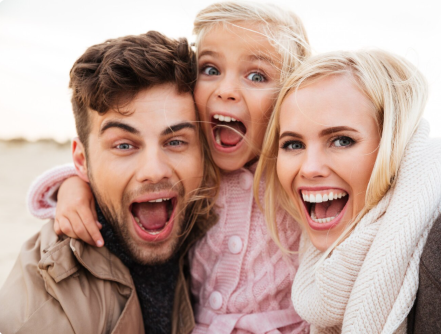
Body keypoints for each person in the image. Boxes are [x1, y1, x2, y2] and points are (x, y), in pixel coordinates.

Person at [26, 2, 311, 333]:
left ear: (290, 93)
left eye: (257, 75)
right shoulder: (198, 165)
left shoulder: (293, 170)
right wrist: (74, 187)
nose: (226, 90)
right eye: (210, 69)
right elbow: (113, 166)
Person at [255, 50, 441, 333]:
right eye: (293, 145)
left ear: (393, 143)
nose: (309, 169)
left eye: (342, 140)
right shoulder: (315, 255)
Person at [0, 31, 218, 334]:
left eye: (176, 141)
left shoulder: (215, 222)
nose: (154, 171)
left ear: (204, 153)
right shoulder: (47, 311)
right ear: (82, 161)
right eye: (124, 146)